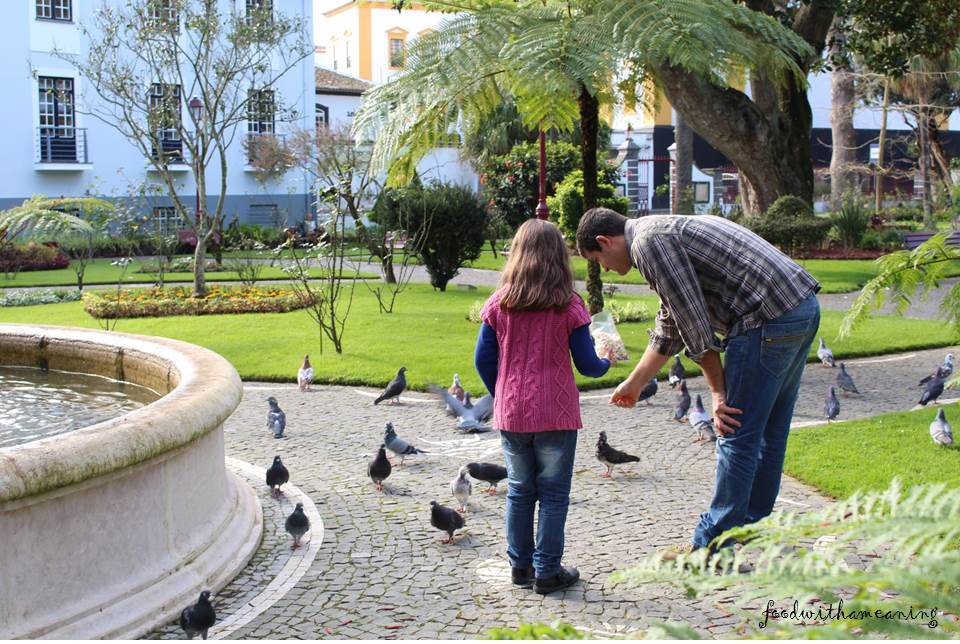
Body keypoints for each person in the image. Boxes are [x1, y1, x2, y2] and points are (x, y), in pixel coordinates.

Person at [575, 207, 821, 556]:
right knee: (769, 430)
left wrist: (718, 393)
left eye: (597, 259)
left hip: (766, 319)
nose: (604, 268)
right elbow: (671, 321)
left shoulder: (647, 244)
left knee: (734, 431)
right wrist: (635, 383)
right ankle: (748, 528)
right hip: (800, 307)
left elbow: (696, 330)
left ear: (604, 241)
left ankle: (713, 547)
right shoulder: (659, 229)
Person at [475, 218, 614, 594]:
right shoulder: (568, 305)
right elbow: (588, 365)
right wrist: (606, 361)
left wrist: (503, 392)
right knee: (553, 494)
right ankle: (547, 572)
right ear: (559, 257)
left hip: (512, 413)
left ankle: (520, 568)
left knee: (520, 490)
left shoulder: (499, 303)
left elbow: (482, 360)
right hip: (556, 413)